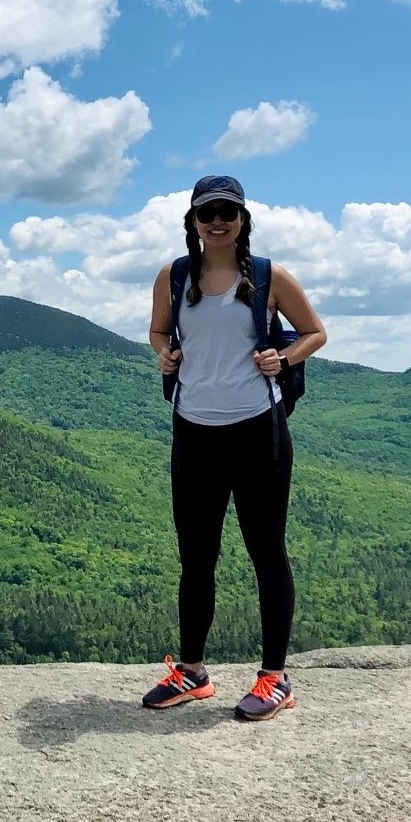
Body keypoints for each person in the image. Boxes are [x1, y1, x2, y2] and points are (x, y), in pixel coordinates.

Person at [142, 175, 327, 720]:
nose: (217, 221)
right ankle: (193, 672)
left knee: (266, 551)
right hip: (194, 429)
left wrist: (284, 358)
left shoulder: (269, 276)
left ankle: (275, 678)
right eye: (207, 213)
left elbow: (314, 331)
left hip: (256, 429)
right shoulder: (174, 277)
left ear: (243, 220)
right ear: (192, 222)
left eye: (228, 212)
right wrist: (164, 355)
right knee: (196, 557)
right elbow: (158, 332)